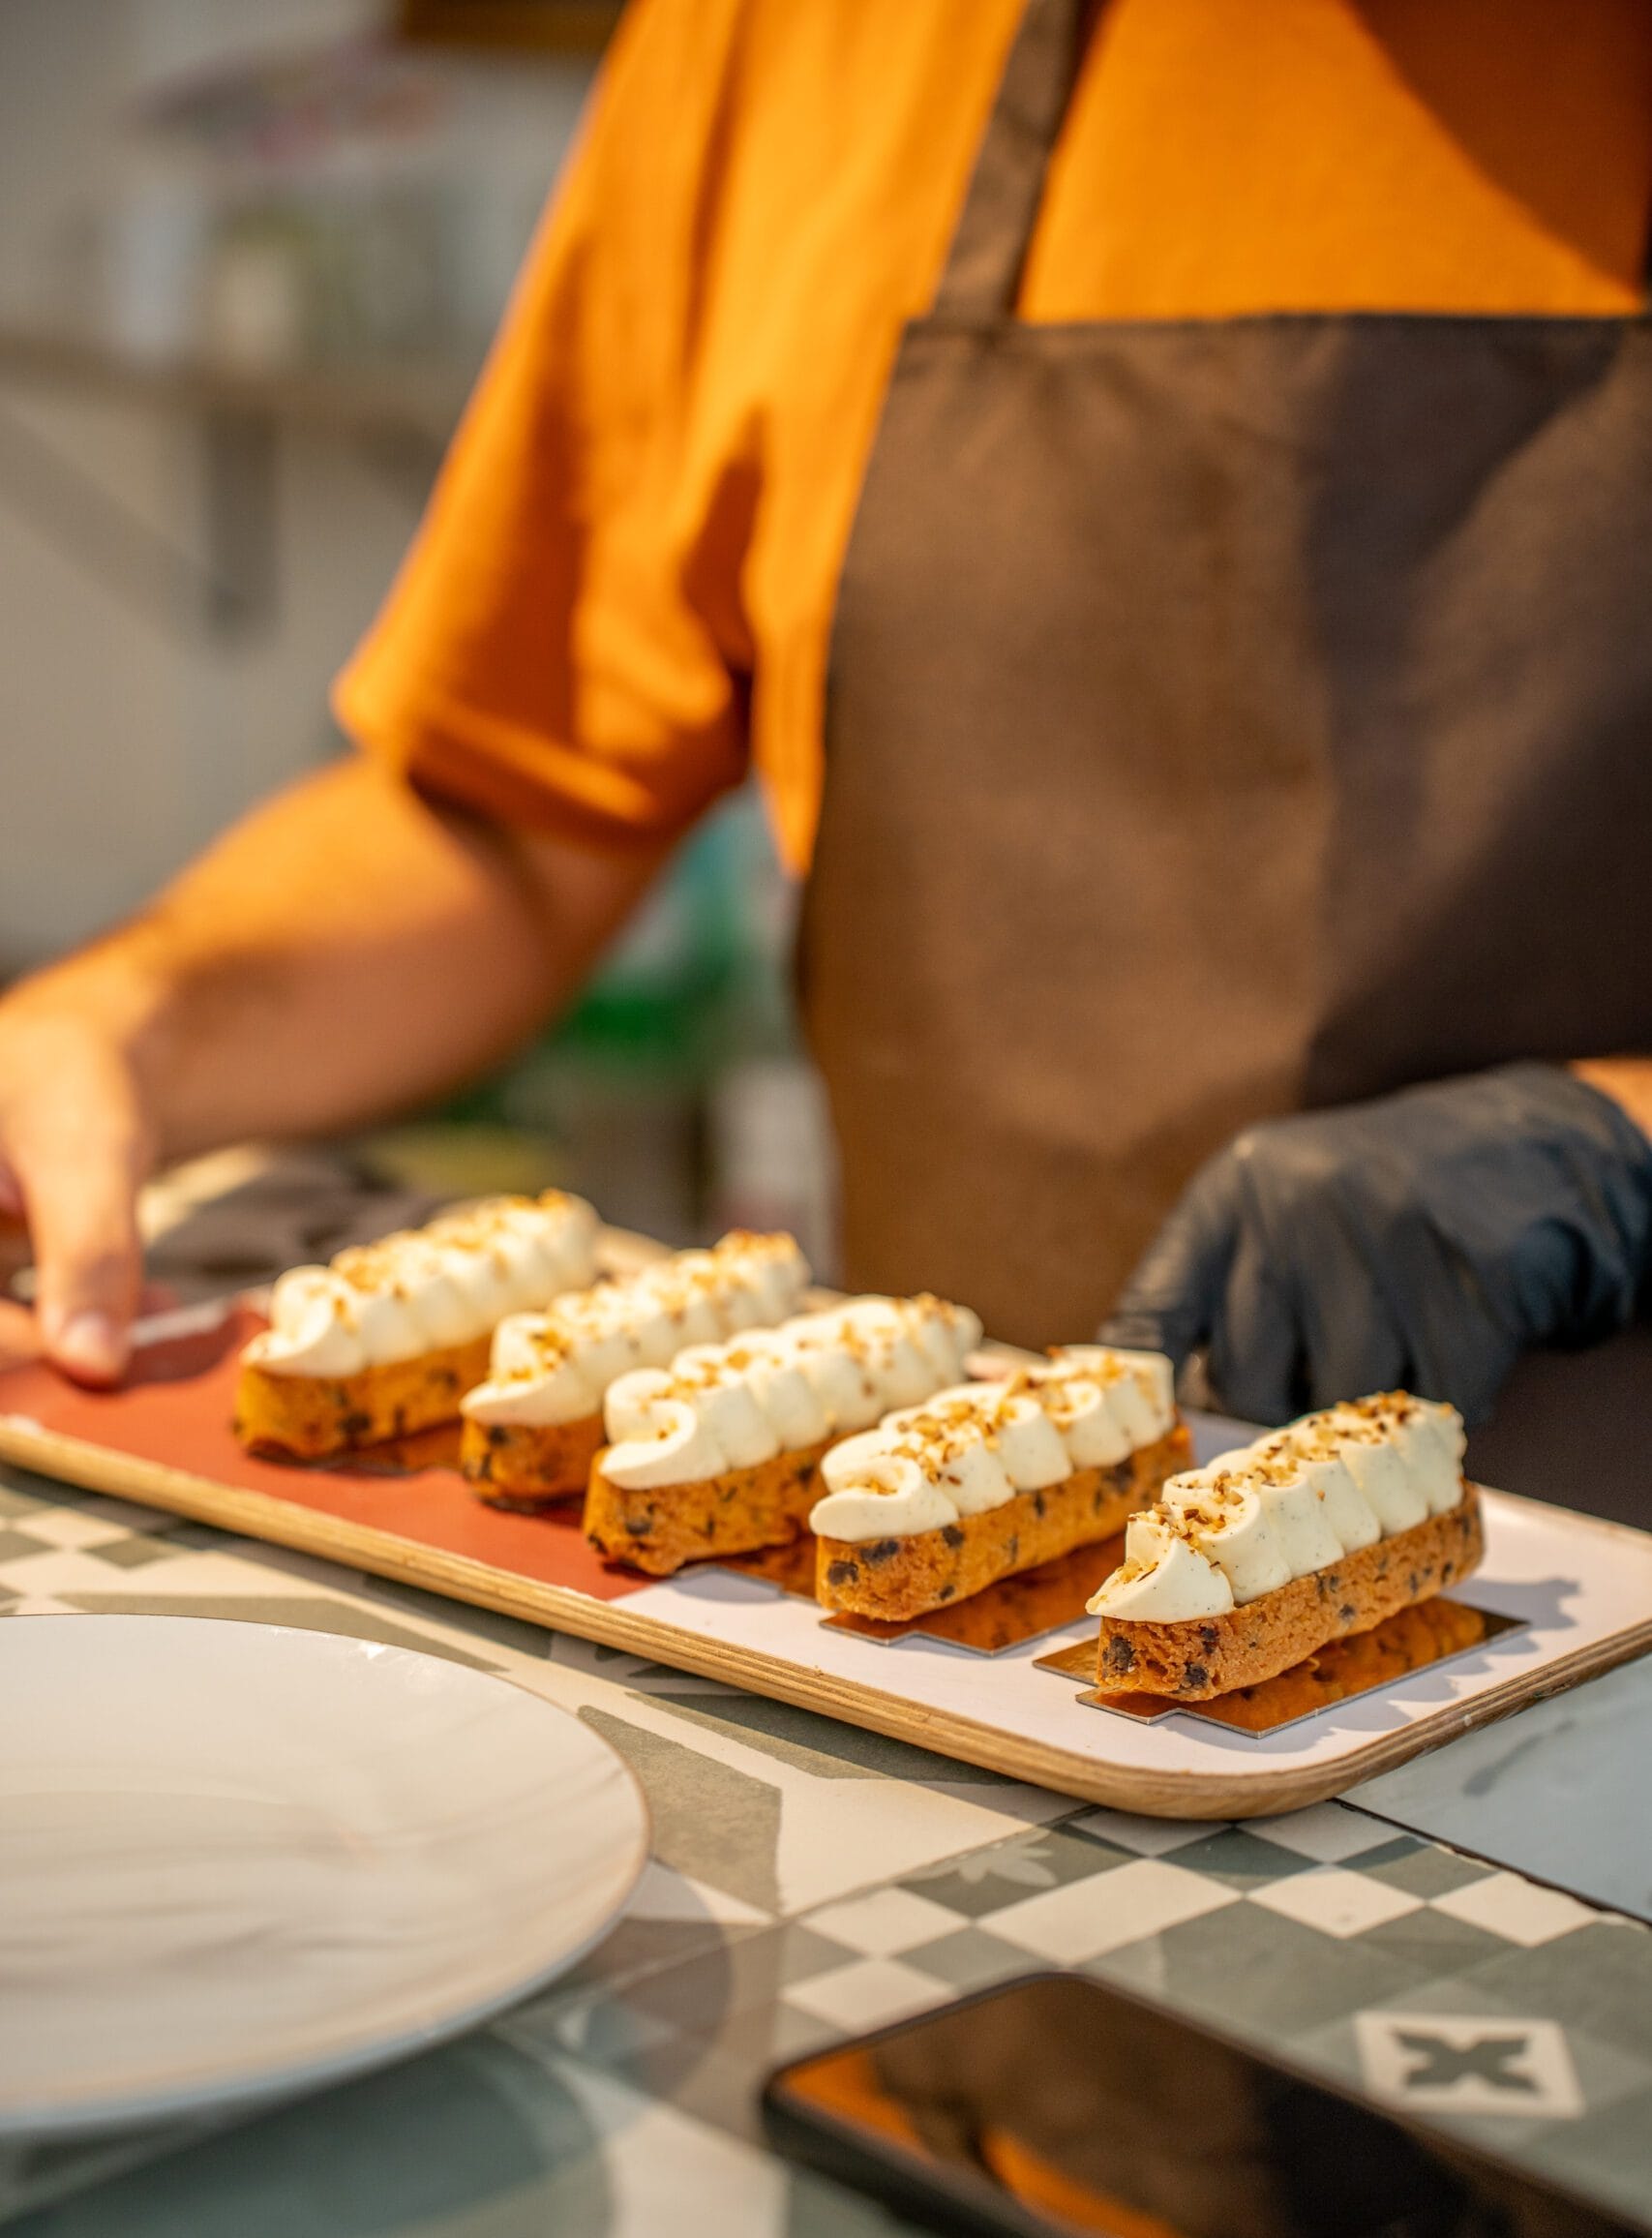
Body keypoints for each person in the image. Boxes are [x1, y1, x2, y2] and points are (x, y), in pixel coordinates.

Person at [5, 0, 1652, 1519]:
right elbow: (511, 824)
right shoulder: (799, 39)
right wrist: (123, 1027)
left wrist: (1616, 1143)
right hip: (961, 1557)